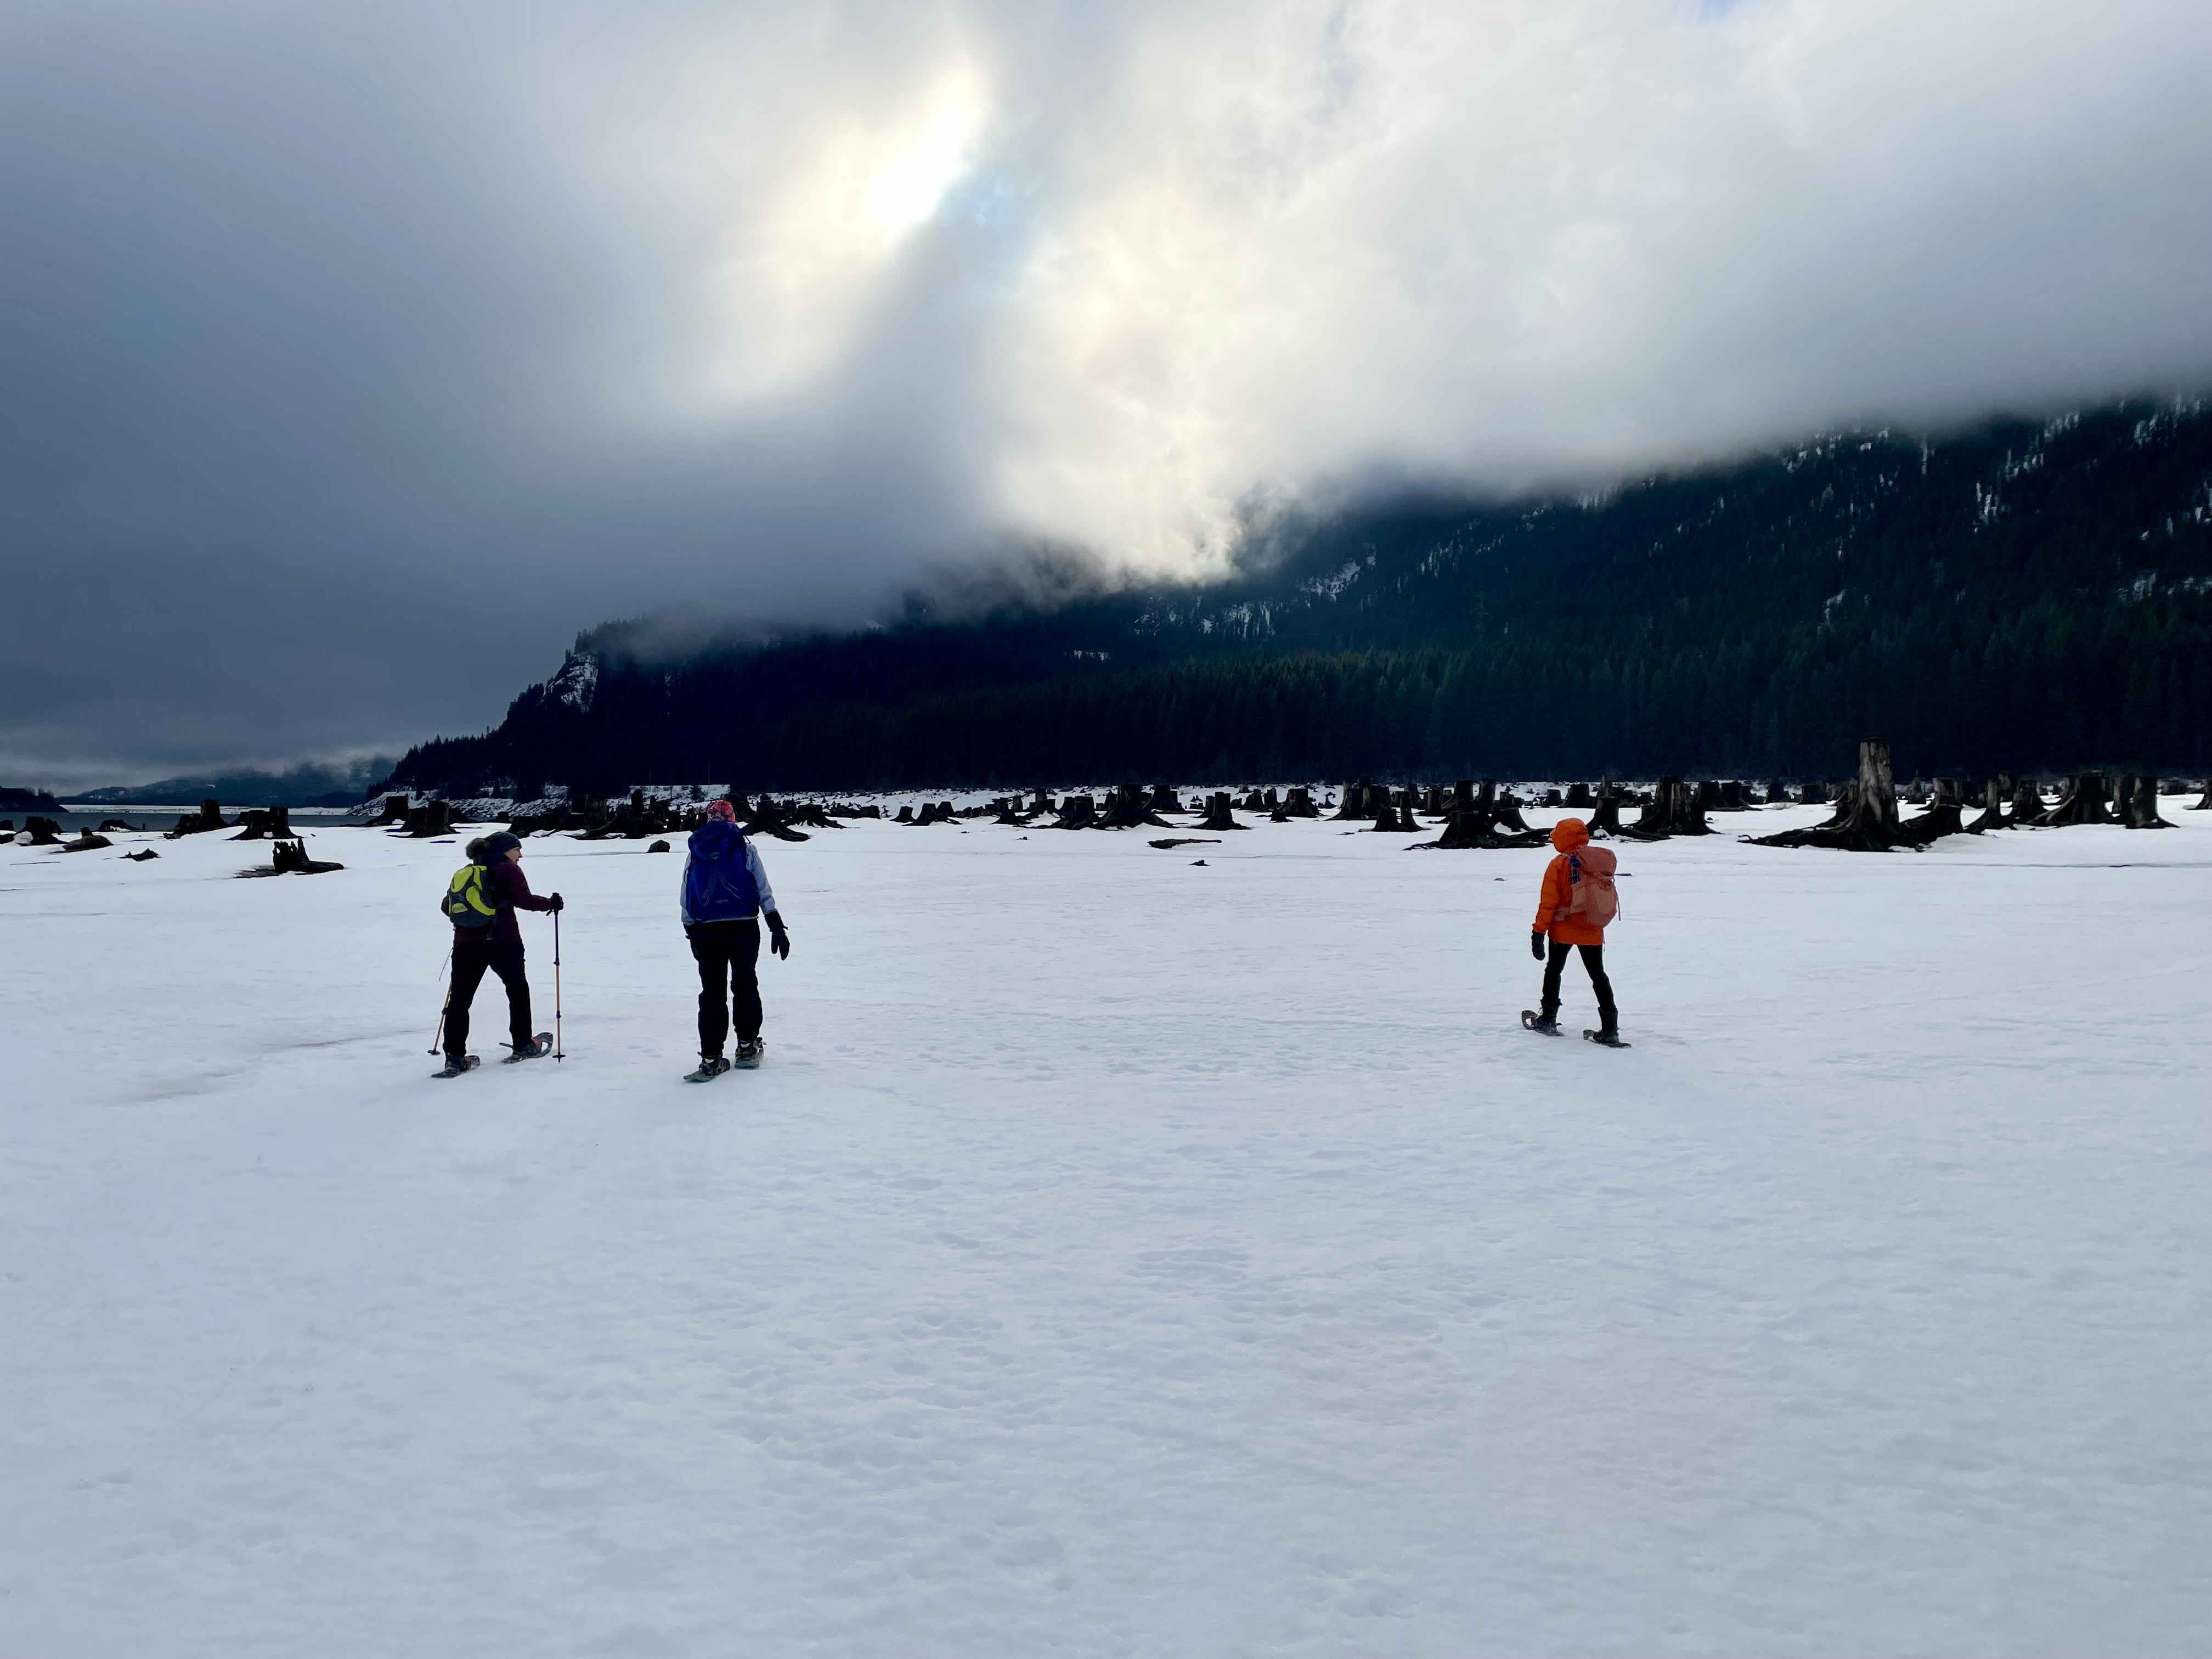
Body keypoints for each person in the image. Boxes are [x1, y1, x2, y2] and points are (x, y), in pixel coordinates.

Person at [435, 830, 562, 1076]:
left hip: (465, 944)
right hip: (504, 941)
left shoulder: (467, 872)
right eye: (517, 849)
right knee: (517, 990)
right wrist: (551, 903)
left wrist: (471, 922)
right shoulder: (507, 869)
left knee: (460, 1000)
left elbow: (446, 906)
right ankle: (524, 1044)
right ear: (505, 850)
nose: (521, 855)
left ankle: (454, 1059)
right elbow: (524, 900)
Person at [680, 799, 789, 1080]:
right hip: (743, 928)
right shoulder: (745, 846)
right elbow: (762, 888)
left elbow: (687, 893)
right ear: (731, 818)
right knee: (745, 984)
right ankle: (747, 1048)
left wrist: (692, 930)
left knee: (712, 992)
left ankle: (711, 1058)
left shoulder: (696, 849)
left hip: (707, 930)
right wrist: (776, 924)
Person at [1525, 816, 1622, 1044]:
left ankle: (1548, 1019)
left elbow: (1548, 903)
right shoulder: (1598, 861)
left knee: (1554, 971)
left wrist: (1538, 932)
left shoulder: (1559, 864)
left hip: (1562, 930)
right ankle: (1610, 1028)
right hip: (1592, 928)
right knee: (1598, 975)